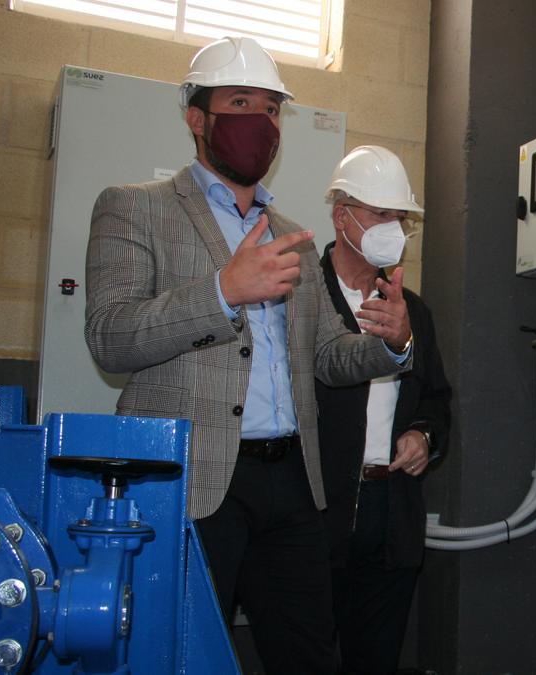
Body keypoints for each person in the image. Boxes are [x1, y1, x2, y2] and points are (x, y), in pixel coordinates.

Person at [84, 37, 413, 674]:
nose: (258, 124)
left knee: (310, 654)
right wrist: (221, 292)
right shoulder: (136, 208)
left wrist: (392, 345)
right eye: (239, 103)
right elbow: (110, 336)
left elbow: (325, 358)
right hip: (195, 478)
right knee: (177, 650)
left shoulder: (291, 234)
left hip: (291, 479)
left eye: (270, 109)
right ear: (196, 117)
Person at [315, 146, 452, 674]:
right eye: (380, 213)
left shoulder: (411, 308)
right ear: (341, 214)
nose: (392, 227)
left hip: (390, 514)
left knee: (375, 659)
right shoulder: (302, 295)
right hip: (316, 512)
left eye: (400, 217)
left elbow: (437, 398)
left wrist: (424, 437)